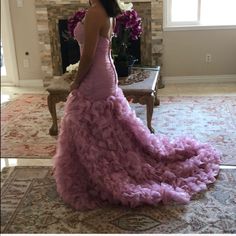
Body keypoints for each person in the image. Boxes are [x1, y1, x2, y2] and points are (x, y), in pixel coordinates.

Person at [53, 0, 221, 210]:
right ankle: (101, 167)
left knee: (84, 121)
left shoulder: (96, 12)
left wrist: (76, 81)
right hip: (103, 73)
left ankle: (101, 172)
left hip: (95, 76)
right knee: (106, 127)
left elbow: (87, 55)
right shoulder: (105, 10)